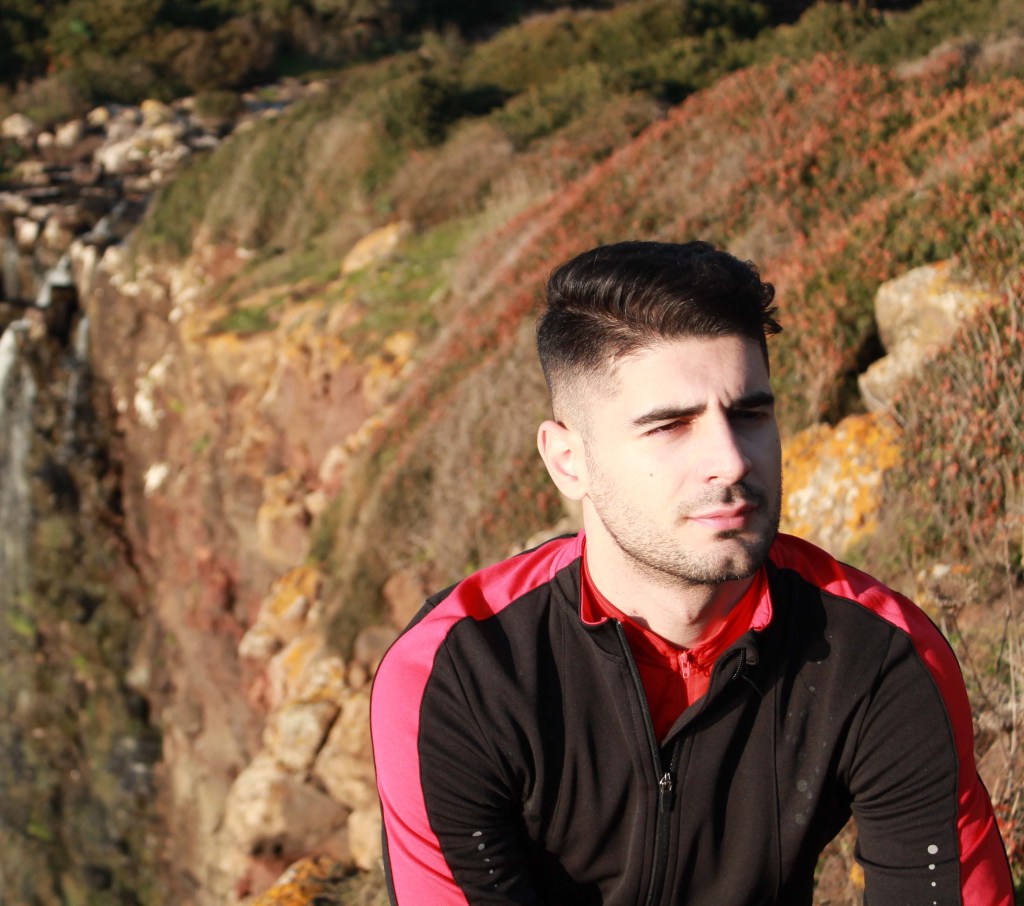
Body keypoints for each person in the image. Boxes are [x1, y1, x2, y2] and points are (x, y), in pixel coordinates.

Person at [370, 240, 1013, 905]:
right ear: (568, 461)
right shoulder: (459, 676)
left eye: (750, 414)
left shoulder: (880, 658)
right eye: (670, 426)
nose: (731, 460)